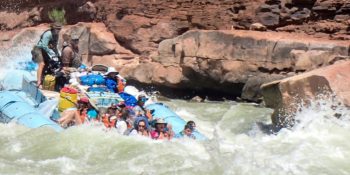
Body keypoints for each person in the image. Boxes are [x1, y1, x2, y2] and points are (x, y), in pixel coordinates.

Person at [31, 22, 62, 89]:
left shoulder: (56, 35)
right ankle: (38, 82)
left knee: (48, 64)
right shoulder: (48, 34)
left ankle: (43, 79)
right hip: (38, 49)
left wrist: (58, 55)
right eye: (57, 29)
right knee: (42, 64)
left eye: (60, 29)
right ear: (53, 28)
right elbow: (44, 46)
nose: (58, 31)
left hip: (45, 50)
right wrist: (51, 53)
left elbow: (55, 46)